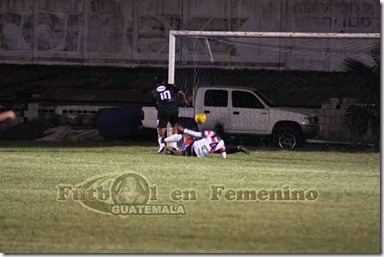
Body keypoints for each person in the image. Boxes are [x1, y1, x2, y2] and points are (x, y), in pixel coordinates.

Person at [163, 123, 250, 158]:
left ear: (215, 130)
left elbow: (196, 134)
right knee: (210, 150)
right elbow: (224, 156)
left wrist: (184, 130)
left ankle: (164, 140)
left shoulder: (211, 133)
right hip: (200, 154)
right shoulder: (222, 143)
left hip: (195, 146)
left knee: (184, 136)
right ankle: (172, 153)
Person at [152, 75, 188, 153]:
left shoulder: (154, 90)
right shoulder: (170, 86)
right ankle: (174, 146)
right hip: (173, 108)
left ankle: (162, 144)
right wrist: (185, 99)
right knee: (174, 126)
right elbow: (181, 93)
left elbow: (155, 101)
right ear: (164, 81)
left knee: (160, 129)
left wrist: (159, 108)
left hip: (163, 109)